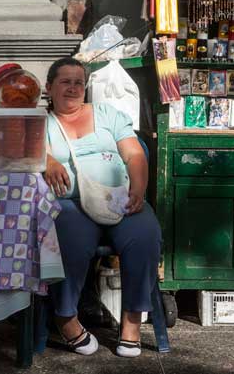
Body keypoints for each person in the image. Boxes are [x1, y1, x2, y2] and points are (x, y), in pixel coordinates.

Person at [42, 57, 161, 358]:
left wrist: (138, 188)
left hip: (119, 197)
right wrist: (48, 161)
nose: (73, 88)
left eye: (78, 82)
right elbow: (24, 154)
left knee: (145, 234)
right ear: (49, 88)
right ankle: (66, 318)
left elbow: (135, 154)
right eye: (65, 82)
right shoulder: (40, 124)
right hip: (70, 202)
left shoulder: (108, 114)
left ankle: (132, 322)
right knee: (69, 239)